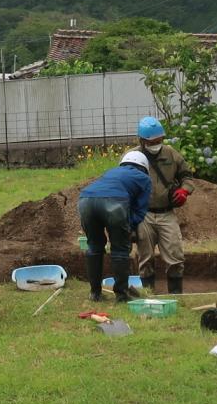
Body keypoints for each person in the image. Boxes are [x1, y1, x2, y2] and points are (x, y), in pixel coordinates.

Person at [77, 149, 152, 302]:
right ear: (144, 167)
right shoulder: (144, 178)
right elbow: (140, 210)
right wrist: (129, 227)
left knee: (94, 247)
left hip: (85, 200)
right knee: (120, 249)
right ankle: (122, 295)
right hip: (114, 202)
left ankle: (95, 293)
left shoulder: (112, 171)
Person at [134, 116, 193, 294]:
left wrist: (184, 191)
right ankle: (148, 296)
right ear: (142, 141)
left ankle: (176, 296)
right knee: (145, 258)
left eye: (159, 140)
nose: (156, 144)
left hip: (167, 213)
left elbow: (187, 177)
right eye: (152, 141)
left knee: (175, 256)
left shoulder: (171, 154)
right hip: (143, 214)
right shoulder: (133, 156)